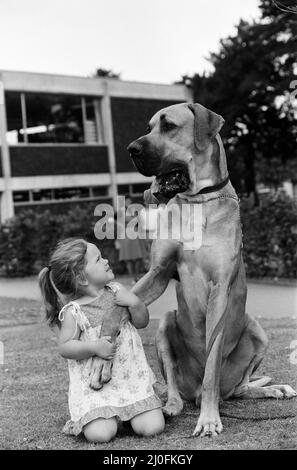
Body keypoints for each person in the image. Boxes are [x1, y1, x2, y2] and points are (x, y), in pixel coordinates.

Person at [38, 238, 164, 443]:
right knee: (100, 435)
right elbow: (65, 347)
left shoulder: (117, 291)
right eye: (98, 259)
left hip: (130, 380)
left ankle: (131, 411)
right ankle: (102, 415)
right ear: (81, 278)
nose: (105, 260)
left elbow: (142, 322)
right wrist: (94, 347)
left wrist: (135, 303)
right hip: (96, 389)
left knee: (153, 428)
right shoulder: (74, 312)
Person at [116, 197, 149, 283]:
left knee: (138, 257)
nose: (128, 202)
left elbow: (140, 222)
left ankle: (136, 276)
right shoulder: (122, 212)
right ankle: (133, 277)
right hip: (126, 235)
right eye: (127, 201)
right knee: (128, 258)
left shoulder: (134, 210)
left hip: (136, 235)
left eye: (129, 201)